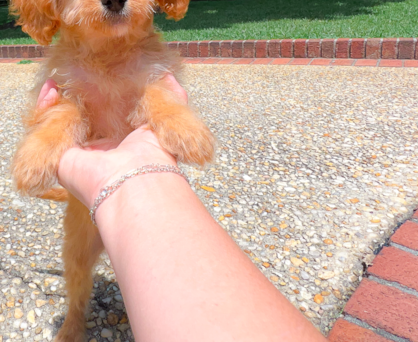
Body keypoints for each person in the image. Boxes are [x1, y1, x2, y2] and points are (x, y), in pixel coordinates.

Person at [36, 75, 327, 342]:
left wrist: (157, 131)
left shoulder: (149, 66)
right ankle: (74, 317)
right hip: (82, 208)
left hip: (130, 188)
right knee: (77, 262)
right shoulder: (67, 70)